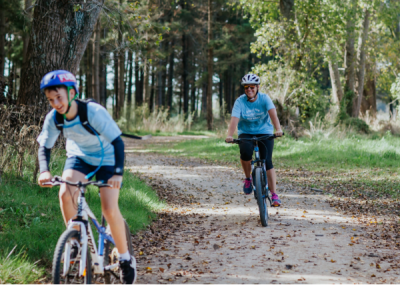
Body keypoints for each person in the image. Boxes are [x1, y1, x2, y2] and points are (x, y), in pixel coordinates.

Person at [37, 70, 136, 284]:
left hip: (108, 158)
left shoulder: (93, 112)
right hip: (80, 158)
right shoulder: (54, 118)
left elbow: (118, 142)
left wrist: (117, 174)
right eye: (51, 100)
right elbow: (44, 146)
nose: (55, 103)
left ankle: (126, 259)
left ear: (72, 92)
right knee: (65, 192)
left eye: (59, 97)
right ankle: (73, 243)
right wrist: (44, 170)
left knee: (109, 209)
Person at [225, 74, 283, 207]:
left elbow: (272, 113)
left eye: (252, 87)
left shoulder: (264, 98)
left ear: (257, 87)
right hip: (246, 132)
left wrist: (278, 129)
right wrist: (229, 135)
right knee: (245, 153)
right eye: (246, 87)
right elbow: (234, 119)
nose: (249, 89)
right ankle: (248, 178)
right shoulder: (240, 101)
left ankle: (274, 194)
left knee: (267, 161)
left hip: (265, 131)